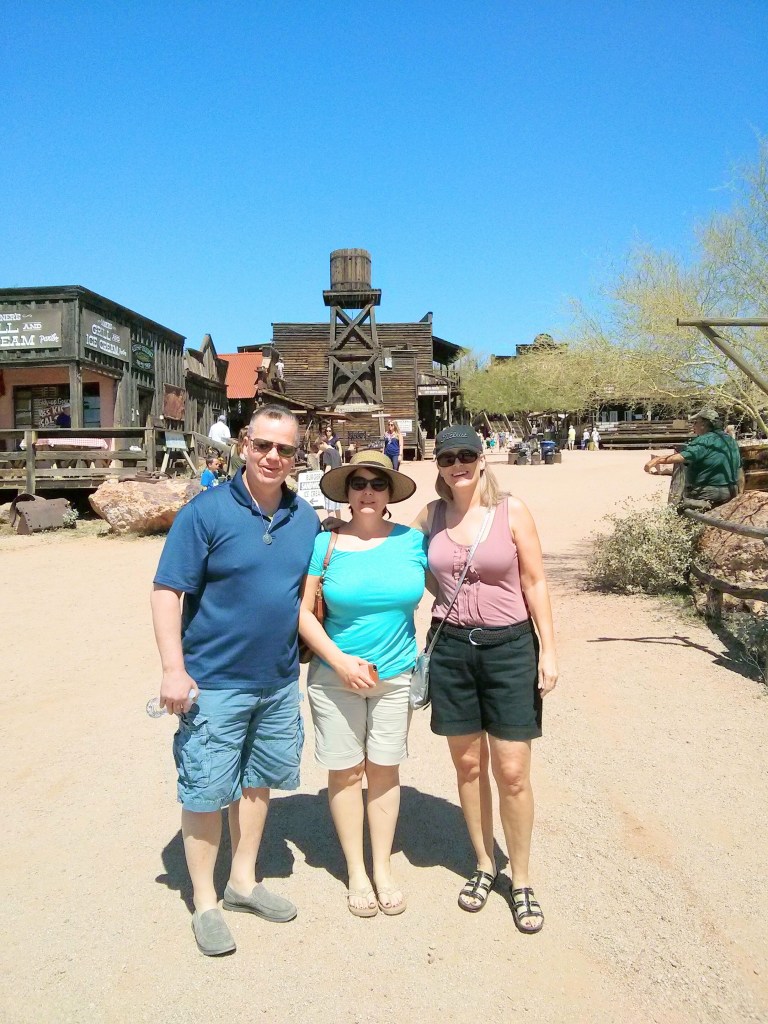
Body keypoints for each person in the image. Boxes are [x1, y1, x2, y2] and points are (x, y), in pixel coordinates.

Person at [150, 404, 320, 956]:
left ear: (297, 456)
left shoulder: (305, 519)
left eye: (285, 449)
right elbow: (167, 591)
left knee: (256, 781)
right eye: (263, 445)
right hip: (214, 683)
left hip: (277, 681)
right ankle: (205, 902)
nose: (273, 456)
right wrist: (173, 669)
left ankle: (242, 881)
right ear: (244, 445)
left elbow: (308, 593)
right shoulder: (205, 512)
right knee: (205, 790)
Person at [412, 425, 558, 933]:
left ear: (481, 458)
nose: (458, 464)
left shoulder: (511, 511)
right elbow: (398, 554)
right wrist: (338, 529)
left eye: (465, 455)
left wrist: (548, 650)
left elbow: (535, 581)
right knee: (469, 766)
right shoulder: (430, 516)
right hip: (452, 648)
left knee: (513, 771)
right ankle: (483, 863)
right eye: (447, 457)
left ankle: (521, 879)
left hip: (510, 649)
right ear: (438, 464)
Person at [298, 451, 425, 918]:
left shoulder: (413, 542)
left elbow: (455, 583)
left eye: (377, 483)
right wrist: (339, 661)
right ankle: (356, 870)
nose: (367, 491)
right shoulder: (325, 543)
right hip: (335, 678)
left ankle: (382, 867)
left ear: (390, 493)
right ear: (346, 493)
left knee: (385, 769)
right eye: (358, 484)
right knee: (347, 771)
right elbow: (302, 612)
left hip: (395, 675)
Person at [644, 406, 741, 508]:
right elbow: (740, 469)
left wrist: (657, 460)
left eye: (695, 422)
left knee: (678, 506)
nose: (693, 425)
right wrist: (740, 493)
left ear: (703, 424)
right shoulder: (731, 441)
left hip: (708, 492)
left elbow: (681, 457)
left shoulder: (704, 440)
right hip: (731, 490)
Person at [319, 438, 343, 519]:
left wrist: (323, 479)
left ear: (322, 443)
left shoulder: (327, 453)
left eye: (319, 447)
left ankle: (331, 525)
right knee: (337, 507)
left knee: (330, 508)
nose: (319, 449)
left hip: (330, 481)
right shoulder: (336, 452)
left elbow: (328, 467)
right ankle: (340, 522)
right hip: (338, 480)